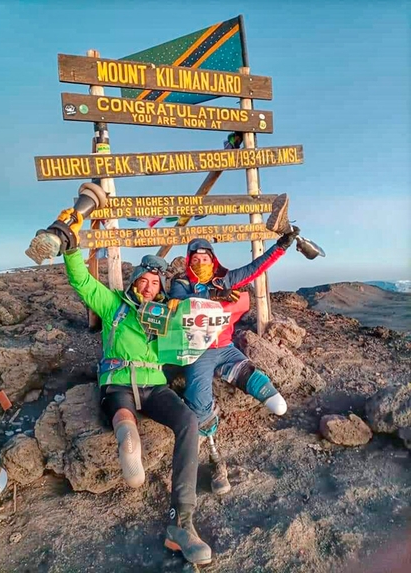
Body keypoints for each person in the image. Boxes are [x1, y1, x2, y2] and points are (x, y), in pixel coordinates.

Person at [48, 206, 212, 566]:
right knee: (125, 422)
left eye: (156, 284)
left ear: (160, 289)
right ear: (135, 280)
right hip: (118, 382)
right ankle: (129, 442)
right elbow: (83, 283)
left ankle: (182, 521)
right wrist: (71, 248)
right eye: (144, 280)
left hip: (154, 385)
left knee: (187, 421)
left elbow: (185, 349)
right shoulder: (114, 306)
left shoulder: (166, 317)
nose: (149, 287)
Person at [168, 194, 299, 495]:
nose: (201, 263)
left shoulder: (225, 280)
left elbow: (255, 267)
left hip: (226, 348)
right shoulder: (181, 284)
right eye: (196, 259)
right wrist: (212, 299)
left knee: (267, 392)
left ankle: (259, 388)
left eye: (205, 259)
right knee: (199, 406)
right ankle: (216, 457)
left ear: (213, 260)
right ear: (189, 262)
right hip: (197, 352)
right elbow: (182, 304)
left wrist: (281, 246)